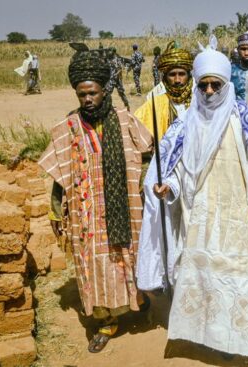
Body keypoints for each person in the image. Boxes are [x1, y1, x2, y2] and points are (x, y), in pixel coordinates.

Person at [137, 36, 248, 357]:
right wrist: (169, 188)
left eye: (215, 86)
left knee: (237, 281)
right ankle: (209, 338)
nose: (208, 92)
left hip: (240, 221)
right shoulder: (185, 124)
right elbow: (176, 171)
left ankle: (239, 343)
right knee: (204, 281)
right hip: (201, 220)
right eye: (203, 85)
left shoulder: (245, 121)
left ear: (226, 84)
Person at [38, 46, 153, 353]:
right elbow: (59, 176)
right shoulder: (69, 127)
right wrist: (54, 214)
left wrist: (147, 187)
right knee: (93, 264)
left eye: (93, 93)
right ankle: (105, 322)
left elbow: (149, 151)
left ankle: (135, 299)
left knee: (127, 257)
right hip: (85, 213)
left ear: (105, 90)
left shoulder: (124, 119)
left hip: (124, 209)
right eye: (81, 95)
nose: (87, 99)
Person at [134, 41, 194, 140]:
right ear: (165, 77)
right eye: (172, 74)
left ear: (189, 76)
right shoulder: (154, 102)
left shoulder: (199, 101)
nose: (177, 80)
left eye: (182, 74)